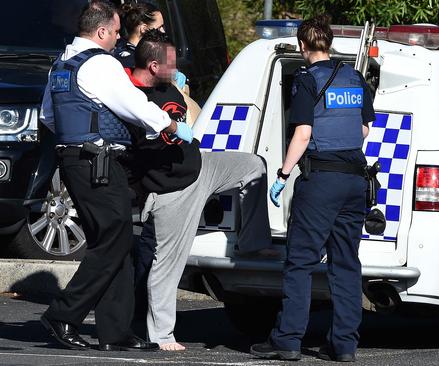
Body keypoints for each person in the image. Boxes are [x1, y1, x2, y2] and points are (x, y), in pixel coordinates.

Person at [38, 0, 193, 352]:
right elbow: (133, 104)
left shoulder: (61, 64)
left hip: (77, 160)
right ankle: (63, 314)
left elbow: (49, 116)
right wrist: (168, 124)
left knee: (116, 242)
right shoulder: (100, 63)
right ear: (102, 31)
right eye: (117, 30)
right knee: (115, 239)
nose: (121, 36)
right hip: (99, 162)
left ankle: (115, 331)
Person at [124, 29, 277, 351]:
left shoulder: (167, 85)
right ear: (153, 65)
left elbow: (188, 118)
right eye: (170, 63)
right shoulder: (131, 99)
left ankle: (251, 243)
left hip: (201, 168)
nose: (176, 67)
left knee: (254, 166)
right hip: (172, 191)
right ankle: (162, 335)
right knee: (167, 265)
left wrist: (181, 90)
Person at [250, 15, 375, 362]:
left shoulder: (306, 80)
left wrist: (282, 174)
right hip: (354, 180)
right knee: (347, 263)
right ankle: (344, 345)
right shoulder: (354, 77)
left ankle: (287, 340)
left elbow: (303, 134)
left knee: (301, 262)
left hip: (321, 181)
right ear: (330, 43)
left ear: (303, 47)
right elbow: (364, 130)